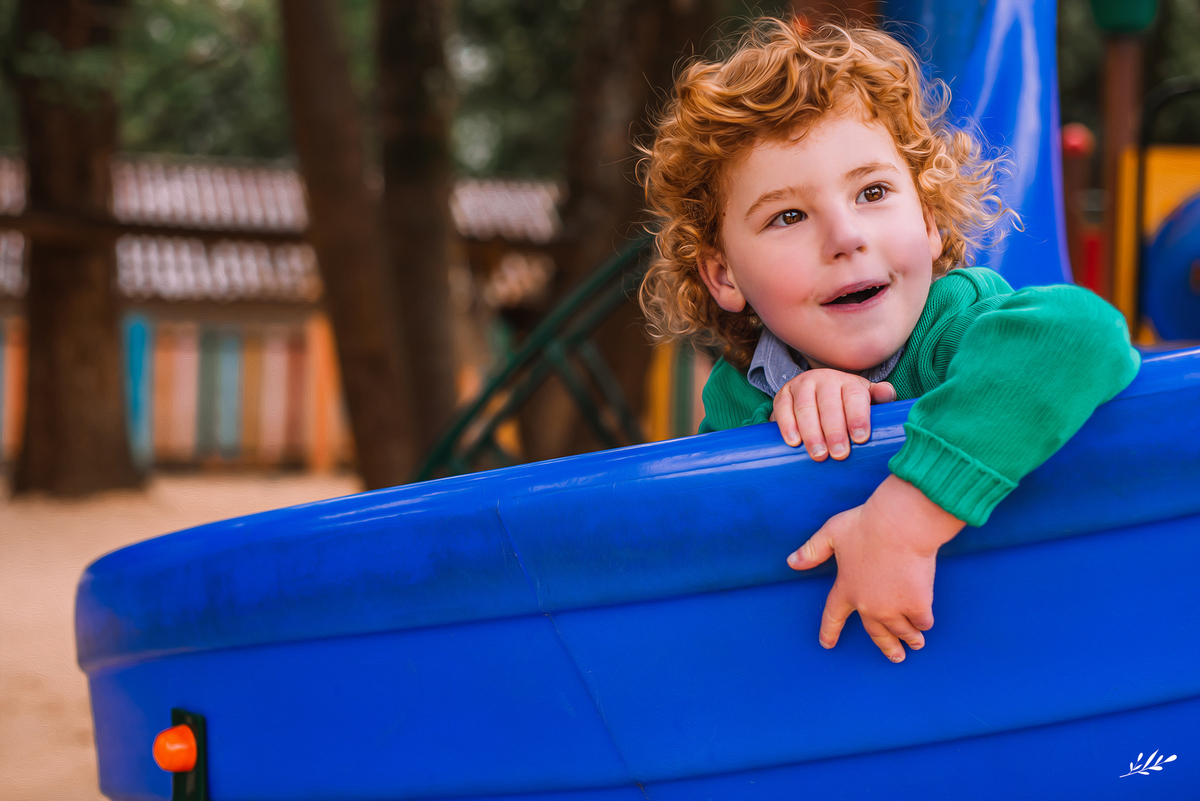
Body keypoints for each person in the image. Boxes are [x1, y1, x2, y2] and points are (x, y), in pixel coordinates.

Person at [638, 18, 1140, 663]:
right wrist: (787, 408)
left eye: (872, 192)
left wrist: (904, 524)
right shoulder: (740, 397)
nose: (845, 236)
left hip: (1042, 644)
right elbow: (717, 542)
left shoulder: (960, 322)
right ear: (723, 275)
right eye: (788, 215)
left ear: (928, 221)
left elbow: (1082, 335)